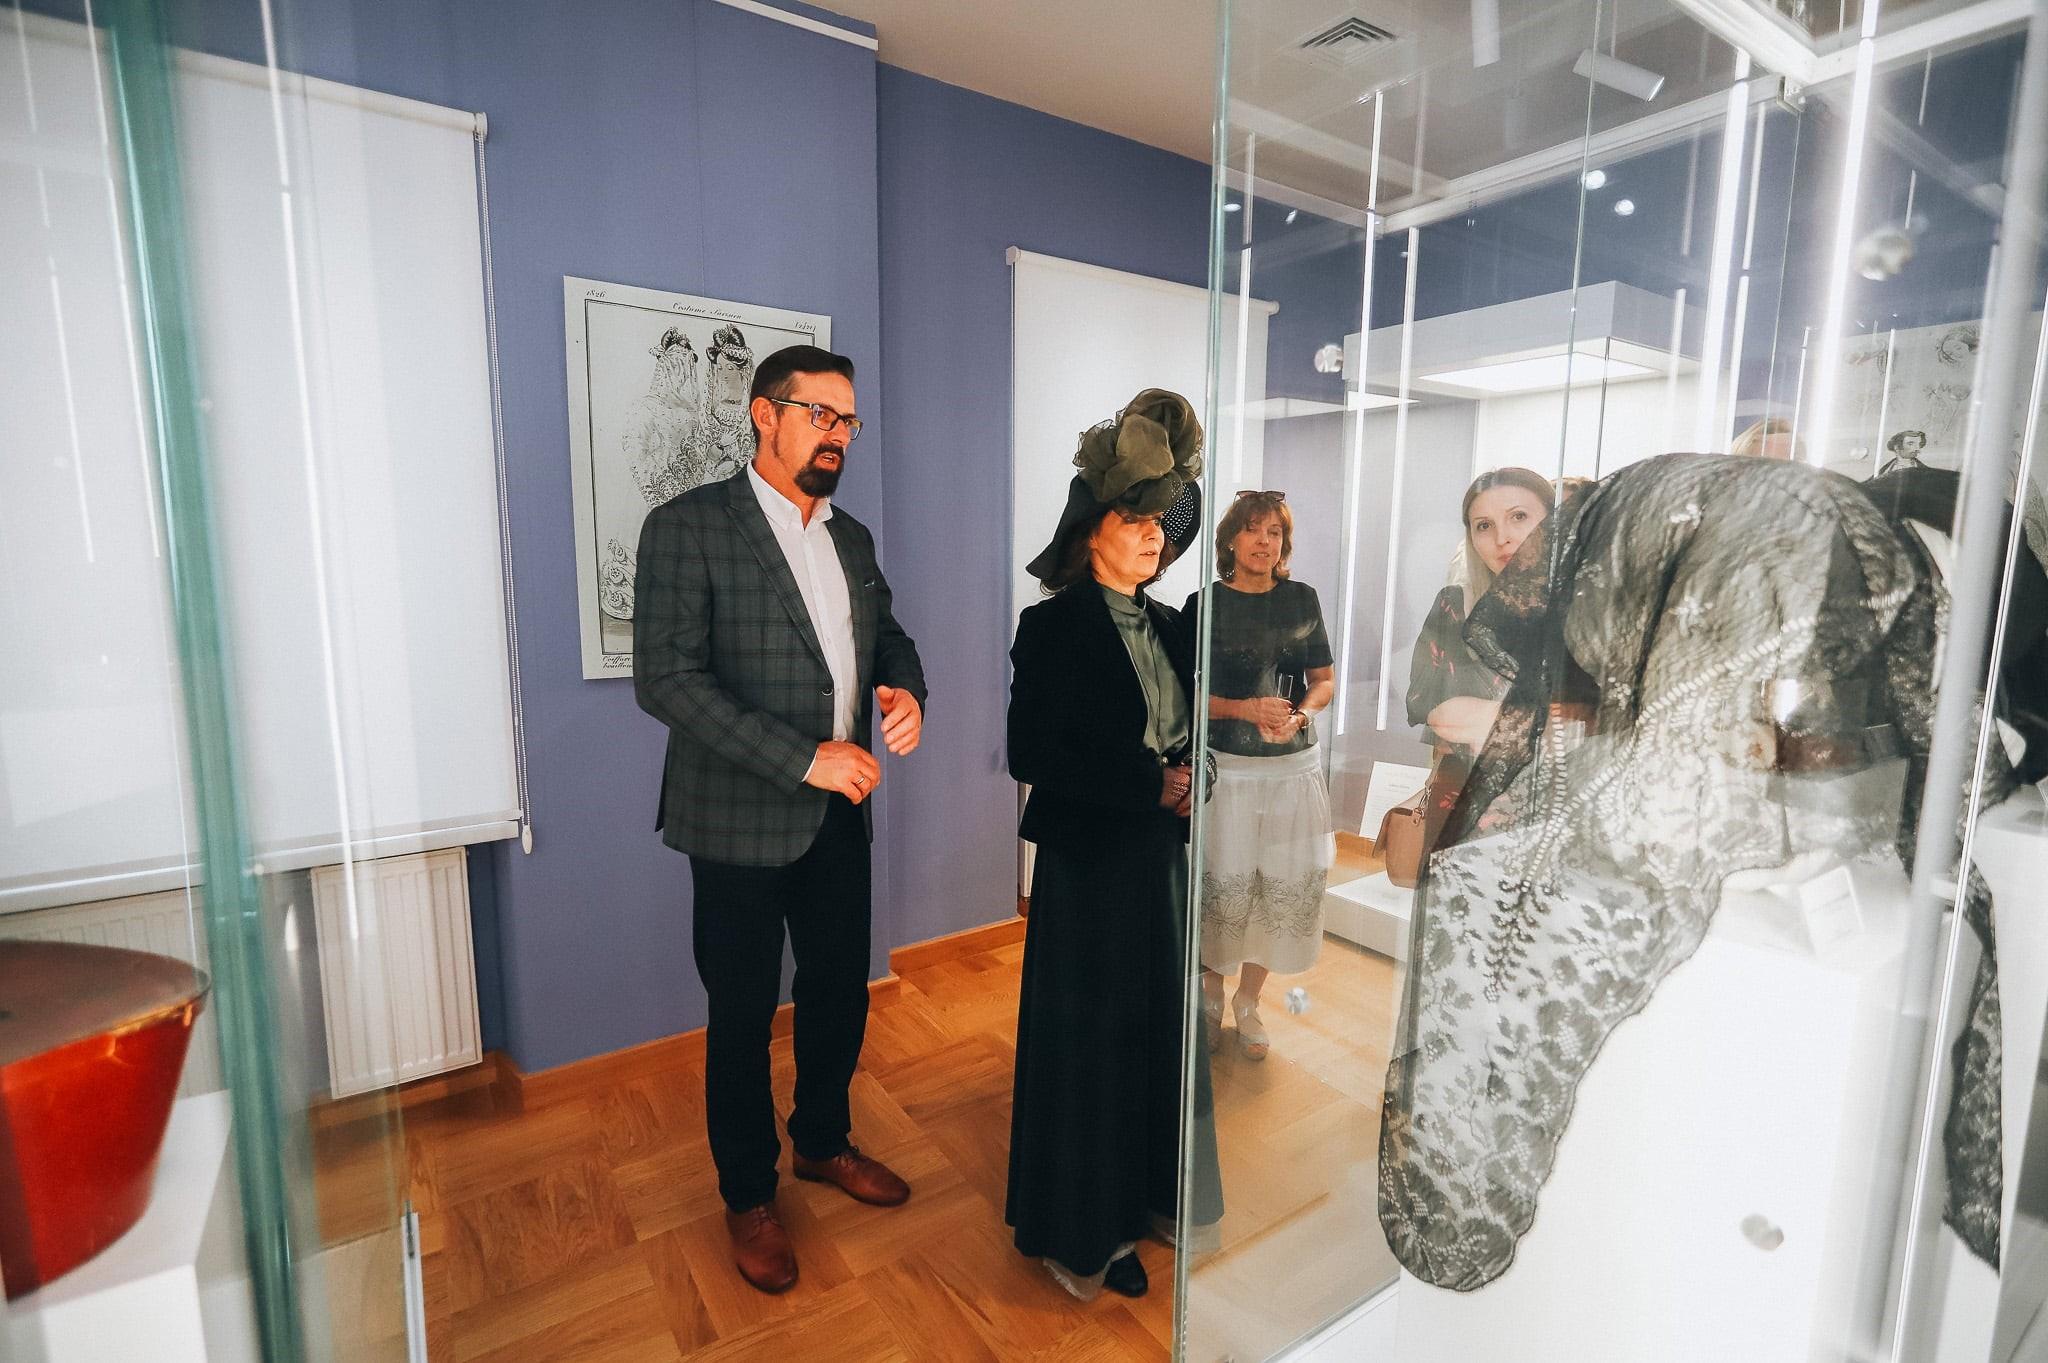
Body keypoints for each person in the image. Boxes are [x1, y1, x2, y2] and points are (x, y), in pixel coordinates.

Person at [633, 344, 928, 1296]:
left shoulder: (853, 539)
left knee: (840, 990)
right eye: (820, 414)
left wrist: (905, 689)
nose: (838, 434)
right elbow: (666, 681)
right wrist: (805, 756)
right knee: (743, 1012)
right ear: (765, 414)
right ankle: (749, 1194)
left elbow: (889, 637)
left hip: (839, 816)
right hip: (735, 821)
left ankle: (823, 1141)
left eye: (848, 420)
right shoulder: (689, 526)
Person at [1006, 389, 1223, 1301]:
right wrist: (1147, 785)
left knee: (1156, 1033)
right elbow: (1031, 751)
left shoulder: (1172, 625)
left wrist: (1193, 781)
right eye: (1132, 520)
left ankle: (1146, 1196)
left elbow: (1190, 738)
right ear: (1089, 530)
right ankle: (1089, 1228)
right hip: (1090, 865)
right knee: (1092, 1042)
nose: (1151, 537)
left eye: (1158, 524)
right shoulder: (1052, 626)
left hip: (1159, 863)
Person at [1183, 491, 1335, 1061]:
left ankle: (1249, 1001)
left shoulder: (1301, 599)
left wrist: (1300, 717)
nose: (1264, 541)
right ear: (1230, 539)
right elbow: (1185, 695)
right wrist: (1245, 710)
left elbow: (1324, 680)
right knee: (1222, 883)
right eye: (1252, 529)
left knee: (1277, 884)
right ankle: (1210, 996)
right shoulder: (1205, 604)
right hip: (1227, 770)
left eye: (1274, 532)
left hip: (1292, 770)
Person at [1406, 467, 1554, 848]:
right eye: (1484, 525)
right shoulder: (1455, 606)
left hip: (1552, 815)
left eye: (1519, 517)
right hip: (1463, 805)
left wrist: (1497, 718)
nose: (1503, 538)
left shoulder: (1587, 612)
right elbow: (1422, 700)